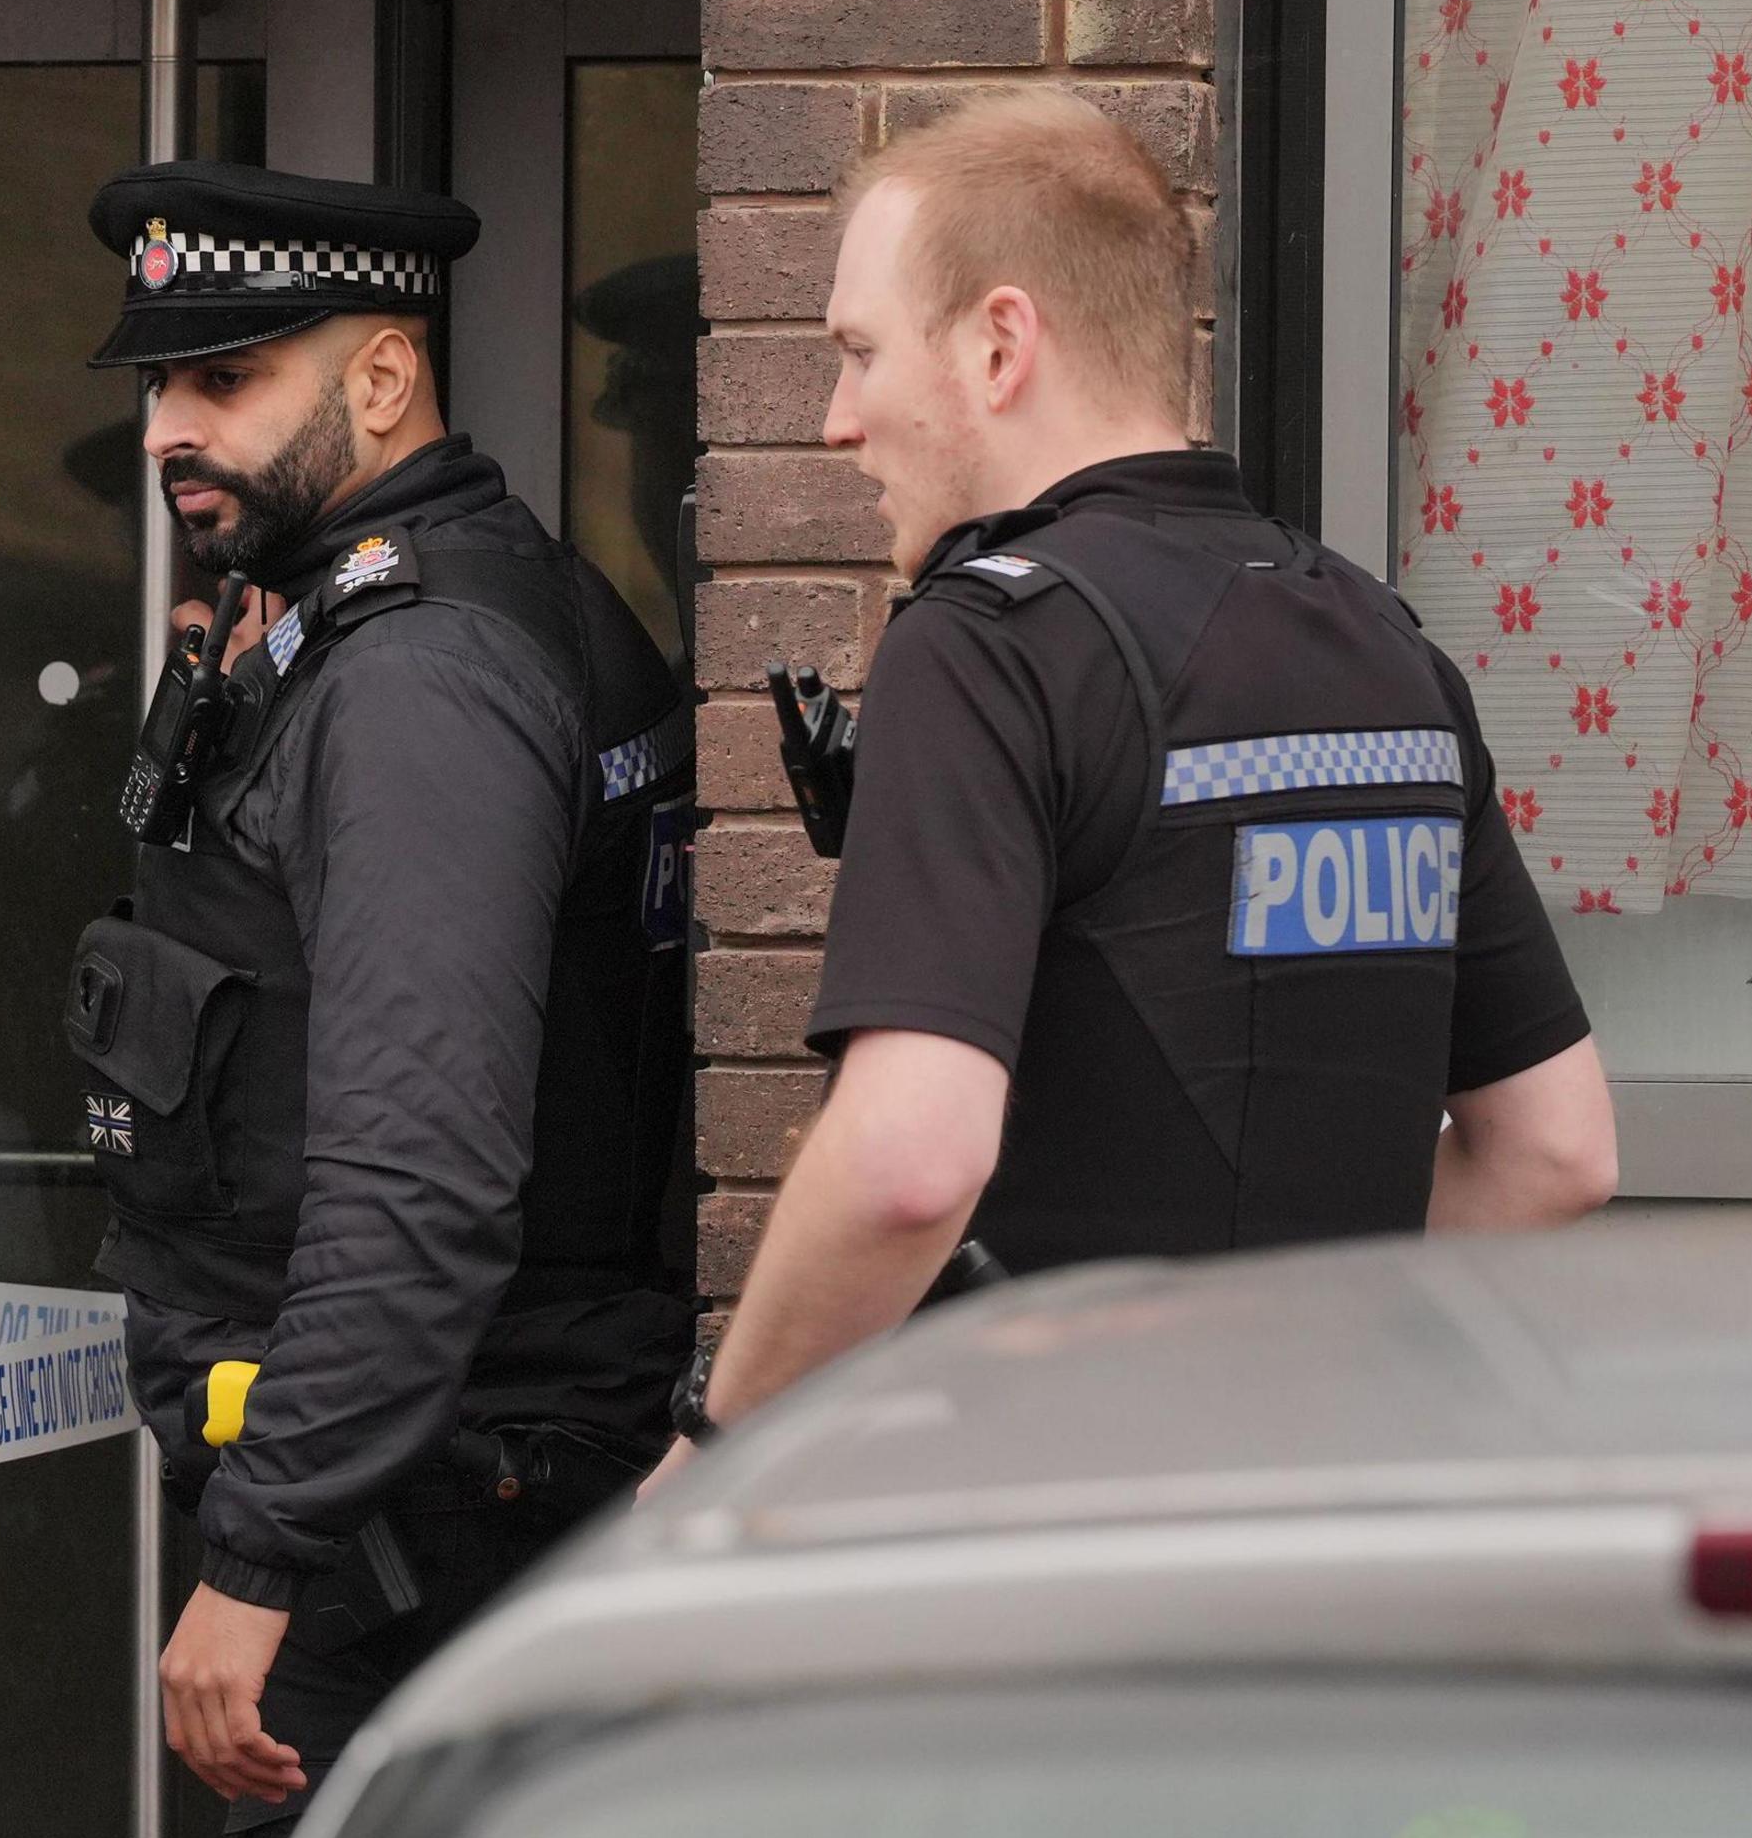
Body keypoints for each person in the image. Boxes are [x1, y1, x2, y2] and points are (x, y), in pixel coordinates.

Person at [657, 92, 1617, 1472]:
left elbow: (909, 1157)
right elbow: (1558, 1152)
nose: (835, 421)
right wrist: (1299, 1350)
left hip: (1050, 1538)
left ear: (1000, 345)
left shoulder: (984, 644)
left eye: (859, 353)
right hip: (1332, 1518)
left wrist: (716, 1447)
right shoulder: (1385, 648)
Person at [65, 162, 692, 1838]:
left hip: (420, 1527)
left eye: (223, 382)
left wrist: (262, 1557)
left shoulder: (420, 673)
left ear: (385, 378)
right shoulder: (434, 612)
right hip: (436, 1491)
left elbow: (420, 1176)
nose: (164, 435)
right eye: (158, 389)